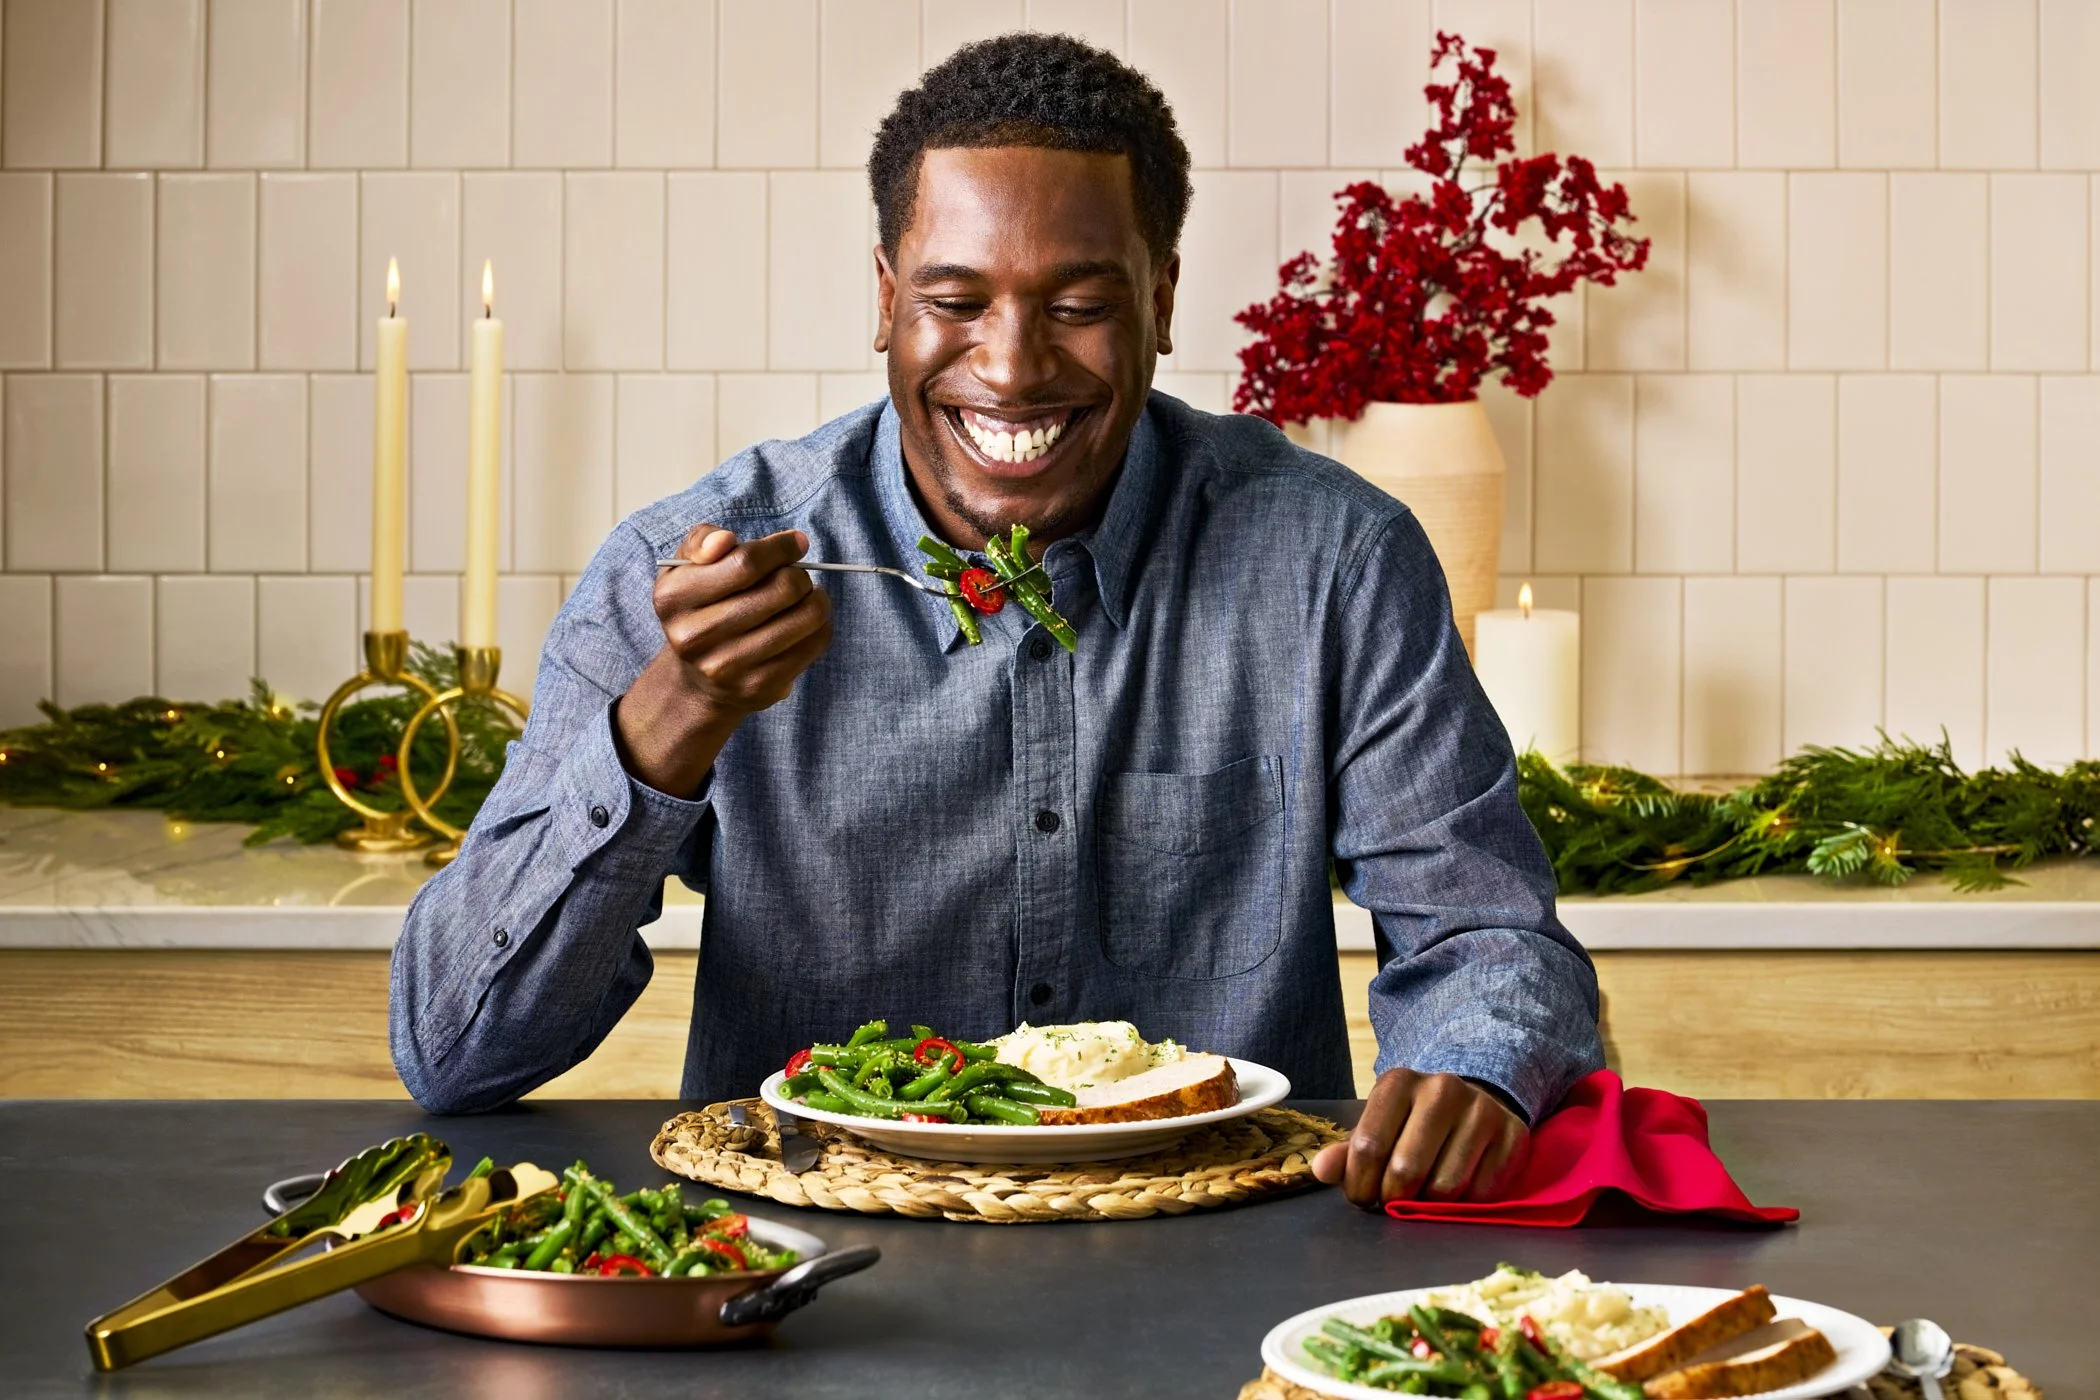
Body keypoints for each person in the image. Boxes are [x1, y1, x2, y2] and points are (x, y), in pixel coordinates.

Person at [390, 32, 1604, 1208]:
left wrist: (1475, 1061)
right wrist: (672, 715)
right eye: (955, 299)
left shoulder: (1334, 560)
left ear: (1162, 298)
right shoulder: (683, 570)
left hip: (1224, 1264)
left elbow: (1491, 937)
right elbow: (455, 1049)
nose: (1013, 368)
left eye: (1078, 303)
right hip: (804, 1272)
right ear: (885, 300)